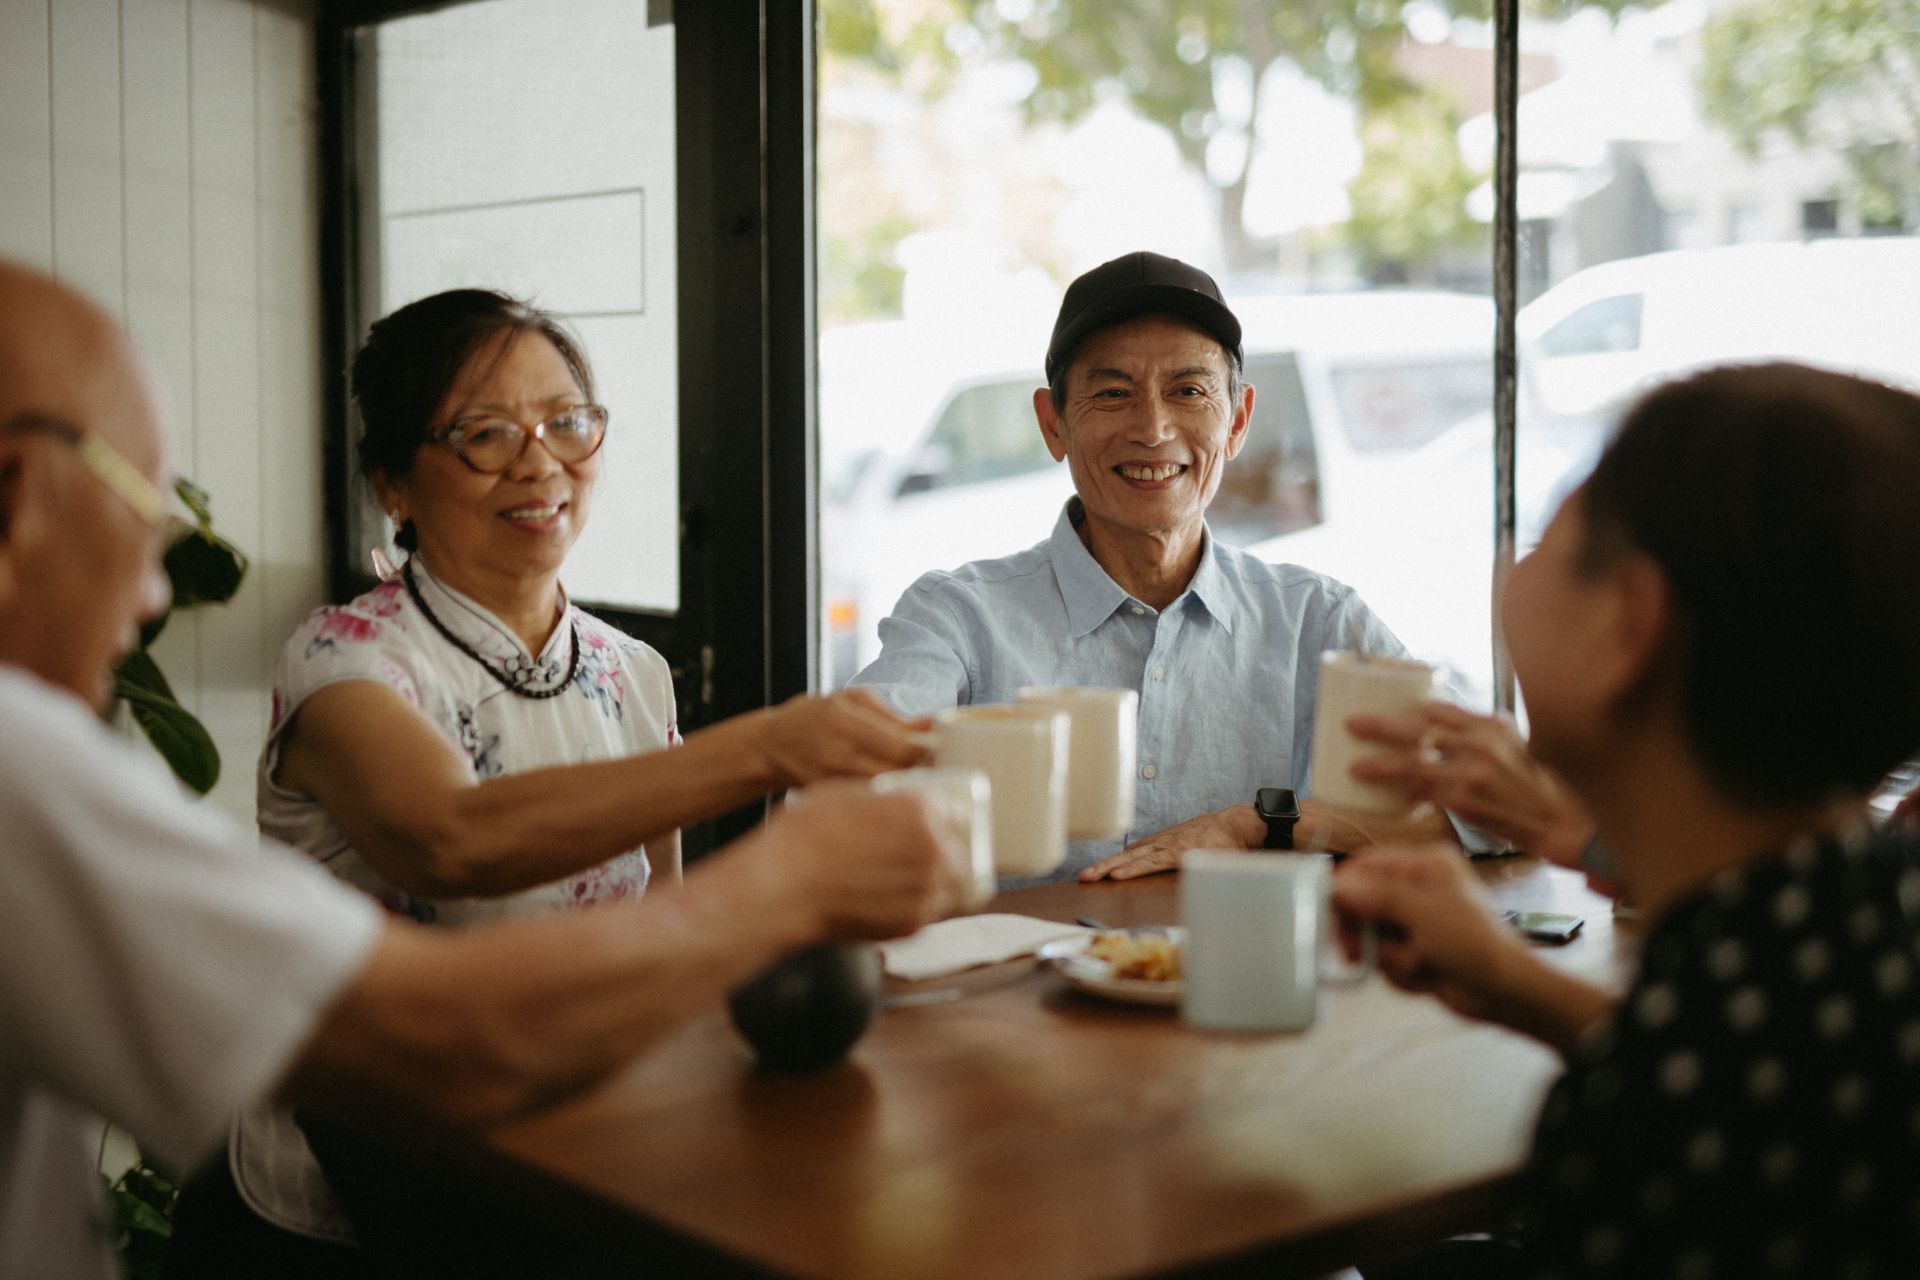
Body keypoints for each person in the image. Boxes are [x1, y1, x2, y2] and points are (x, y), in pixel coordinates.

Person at [0, 266, 962, 1280]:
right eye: (487, 433)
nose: (538, 462)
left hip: (580, 1161)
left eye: (566, 422)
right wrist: (779, 795)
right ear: (396, 485)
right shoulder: (347, 657)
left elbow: (661, 917)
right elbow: (451, 837)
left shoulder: (631, 671)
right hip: (360, 1202)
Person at [1333, 363, 1920, 1275]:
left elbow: (1695, 1090)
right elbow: (1740, 1073)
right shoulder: (1857, 922)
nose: (1513, 572)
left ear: (1631, 626)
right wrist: (1514, 982)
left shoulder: (1651, 1123)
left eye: (1554, 542)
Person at [852, 251, 1455, 883]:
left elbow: (1478, 811)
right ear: (1053, 424)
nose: (1153, 427)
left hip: (1246, 976)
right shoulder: (959, 618)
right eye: (1113, 393)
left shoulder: (1317, 620)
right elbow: (842, 789)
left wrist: (1258, 825)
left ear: (1238, 420)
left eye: (1188, 391)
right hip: (1016, 979)